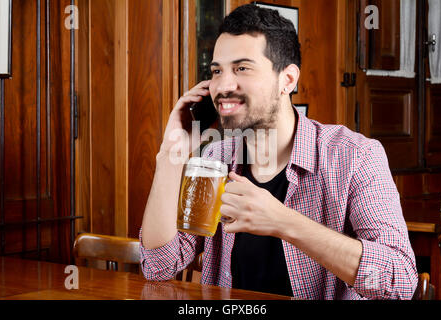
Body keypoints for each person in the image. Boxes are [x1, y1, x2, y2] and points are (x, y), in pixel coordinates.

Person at [139, 4, 418, 299]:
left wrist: (282, 221)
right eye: (217, 71)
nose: (222, 85)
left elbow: (399, 280)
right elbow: (158, 267)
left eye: (242, 68)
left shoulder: (354, 156)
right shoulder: (214, 159)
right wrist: (170, 155)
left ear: (287, 79)